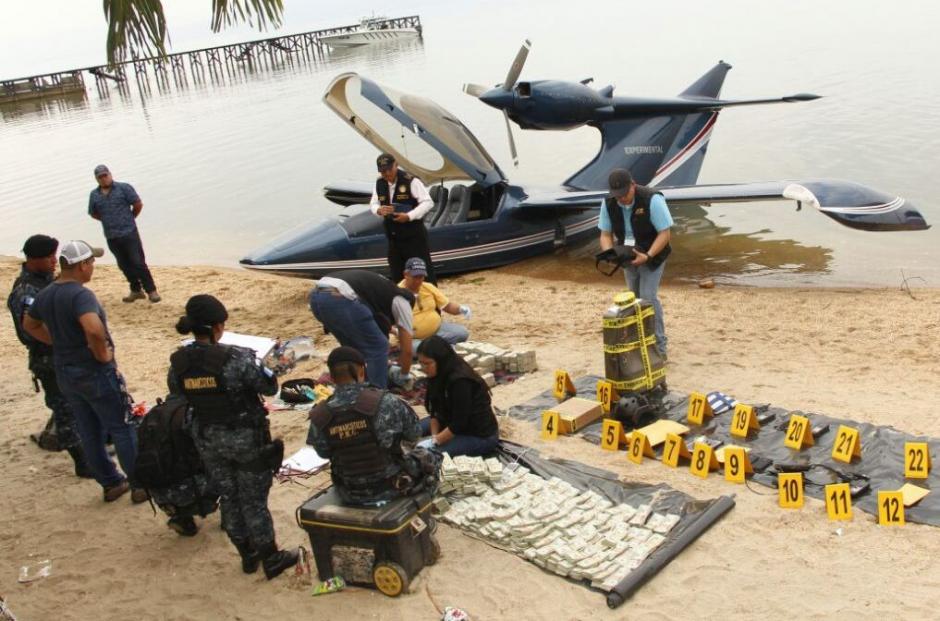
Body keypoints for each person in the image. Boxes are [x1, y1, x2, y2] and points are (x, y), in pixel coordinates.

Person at [168, 294, 298, 578]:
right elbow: (267, 387)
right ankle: (270, 556)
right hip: (244, 438)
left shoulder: (179, 362)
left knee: (228, 495)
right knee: (252, 499)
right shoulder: (235, 358)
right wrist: (273, 367)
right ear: (217, 327)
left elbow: (177, 394)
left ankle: (246, 554)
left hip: (206, 438)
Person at [23, 240, 144, 503]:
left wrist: (55, 340)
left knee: (89, 429)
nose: (93, 267)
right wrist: (102, 354)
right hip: (93, 370)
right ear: (81, 265)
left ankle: (111, 483)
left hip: (66, 371)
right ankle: (139, 484)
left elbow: (29, 324)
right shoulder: (80, 295)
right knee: (121, 426)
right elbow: (92, 327)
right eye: (91, 262)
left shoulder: (47, 293)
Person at [307, 346, 438, 505]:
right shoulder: (386, 401)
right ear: (362, 371)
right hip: (391, 486)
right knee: (431, 456)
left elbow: (323, 453)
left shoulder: (320, 414)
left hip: (349, 491)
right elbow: (414, 433)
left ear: (332, 377)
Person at [7, 234, 91, 477]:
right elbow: (30, 329)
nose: (55, 261)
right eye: (49, 257)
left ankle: (87, 448)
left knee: (75, 403)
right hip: (49, 357)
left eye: (55, 256)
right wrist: (62, 342)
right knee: (64, 409)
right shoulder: (27, 290)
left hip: (61, 354)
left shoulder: (43, 282)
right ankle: (82, 462)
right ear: (33, 260)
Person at [598, 168, 674, 358]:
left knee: (648, 298)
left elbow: (665, 234)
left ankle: (659, 347)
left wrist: (647, 256)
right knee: (634, 298)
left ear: (633, 185)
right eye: (617, 196)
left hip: (653, 253)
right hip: (628, 256)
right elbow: (605, 234)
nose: (622, 199)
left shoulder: (652, 199)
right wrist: (609, 253)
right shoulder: (608, 203)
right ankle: (640, 342)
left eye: (624, 194)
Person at [309, 269, 416, 389]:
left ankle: (351, 390)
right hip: (339, 297)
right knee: (379, 347)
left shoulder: (381, 294)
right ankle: (377, 395)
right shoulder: (403, 302)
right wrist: (403, 375)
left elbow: (373, 325)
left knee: (351, 350)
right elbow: (407, 350)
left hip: (316, 296)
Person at [87, 164, 161, 303]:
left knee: (138, 262)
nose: (104, 179)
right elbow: (93, 213)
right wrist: (107, 220)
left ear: (110, 174)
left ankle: (151, 291)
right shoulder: (94, 195)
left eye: (105, 175)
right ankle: (136, 290)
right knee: (123, 264)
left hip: (129, 233)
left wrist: (130, 218)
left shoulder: (124, 188)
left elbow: (138, 204)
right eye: (100, 177)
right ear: (96, 179)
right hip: (111, 235)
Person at [415, 336, 499, 457]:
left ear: (441, 360)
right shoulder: (437, 374)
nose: (423, 368)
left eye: (428, 363)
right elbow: (434, 411)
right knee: (410, 430)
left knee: (426, 456)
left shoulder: (460, 382)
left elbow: (459, 423)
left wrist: (436, 442)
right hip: (448, 419)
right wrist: (434, 436)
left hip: (477, 434)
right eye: (421, 363)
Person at [370, 153, 437, 284]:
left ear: (396, 165)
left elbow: (428, 202)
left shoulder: (411, 181)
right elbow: (373, 203)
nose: (387, 173)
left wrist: (409, 216)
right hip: (394, 237)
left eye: (390, 169)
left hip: (413, 236)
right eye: (383, 171)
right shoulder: (379, 183)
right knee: (398, 274)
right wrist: (378, 210)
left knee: (423, 272)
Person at [399, 257, 471, 351]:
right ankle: (441, 348)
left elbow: (447, 306)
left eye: (421, 277)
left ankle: (437, 348)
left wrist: (461, 309)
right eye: (415, 277)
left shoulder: (428, 287)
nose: (418, 281)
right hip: (414, 338)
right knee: (415, 348)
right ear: (406, 274)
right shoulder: (397, 292)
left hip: (437, 330)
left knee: (462, 333)